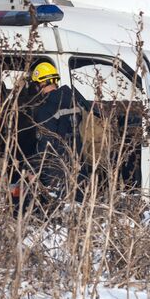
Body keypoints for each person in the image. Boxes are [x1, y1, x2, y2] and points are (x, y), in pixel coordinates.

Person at [27, 61, 93, 202]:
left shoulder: (46, 110)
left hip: (56, 172)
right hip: (79, 167)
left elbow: (46, 144)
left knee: (54, 215)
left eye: (36, 84)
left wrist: (34, 171)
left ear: (42, 84)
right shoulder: (75, 101)